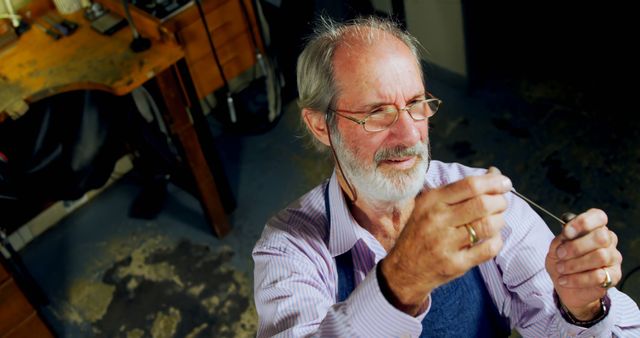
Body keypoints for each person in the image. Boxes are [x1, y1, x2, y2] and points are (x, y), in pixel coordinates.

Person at [252, 16, 640, 337]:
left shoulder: (482, 200)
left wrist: (583, 309)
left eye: (417, 104)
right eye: (377, 112)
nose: (408, 135)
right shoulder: (288, 250)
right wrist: (401, 281)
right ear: (321, 126)